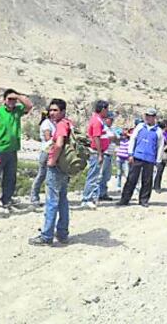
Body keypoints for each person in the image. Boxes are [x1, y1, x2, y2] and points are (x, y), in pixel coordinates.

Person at [29, 99, 73, 246]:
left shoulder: (60, 125)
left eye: (56, 110)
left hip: (57, 167)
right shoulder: (68, 123)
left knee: (52, 201)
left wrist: (51, 161)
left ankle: (46, 235)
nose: (52, 113)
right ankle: (62, 233)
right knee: (62, 200)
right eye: (51, 110)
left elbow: (59, 143)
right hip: (65, 167)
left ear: (63, 111)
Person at [0, 89, 33, 207]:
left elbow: (29, 105)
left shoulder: (17, 111)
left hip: (13, 149)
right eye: (9, 99)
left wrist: (18, 95)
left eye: (14, 100)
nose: (12, 101)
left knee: (10, 176)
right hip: (1, 148)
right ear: (4, 100)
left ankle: (6, 199)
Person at [118, 108, 163, 207]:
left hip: (150, 158)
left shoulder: (158, 131)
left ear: (154, 117)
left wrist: (158, 160)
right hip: (137, 156)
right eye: (146, 115)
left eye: (150, 116)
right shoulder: (140, 127)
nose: (148, 118)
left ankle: (144, 200)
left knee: (147, 180)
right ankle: (125, 199)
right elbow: (133, 139)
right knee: (131, 178)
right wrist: (130, 154)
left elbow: (160, 146)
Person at [81, 100, 110, 209]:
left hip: (99, 151)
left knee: (96, 175)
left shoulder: (99, 120)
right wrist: (99, 153)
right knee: (93, 175)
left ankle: (92, 197)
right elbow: (96, 137)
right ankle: (86, 198)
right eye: (107, 109)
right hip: (96, 152)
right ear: (103, 109)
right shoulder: (97, 121)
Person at [30, 109, 56, 206]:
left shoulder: (52, 123)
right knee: (42, 175)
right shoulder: (46, 124)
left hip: (51, 151)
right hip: (46, 151)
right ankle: (34, 197)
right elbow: (47, 138)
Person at [99, 111, 118, 201]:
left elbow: (117, 138)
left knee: (106, 176)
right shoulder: (103, 128)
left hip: (110, 154)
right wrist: (111, 138)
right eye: (110, 119)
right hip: (104, 153)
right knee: (100, 175)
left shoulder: (111, 129)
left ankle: (103, 193)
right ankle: (97, 194)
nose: (111, 121)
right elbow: (102, 138)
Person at [153, 119, 167, 193]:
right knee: (159, 170)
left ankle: (156, 185)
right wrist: (164, 148)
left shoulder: (163, 132)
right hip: (160, 153)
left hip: (160, 153)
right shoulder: (163, 133)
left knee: (159, 170)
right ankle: (156, 186)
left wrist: (163, 148)